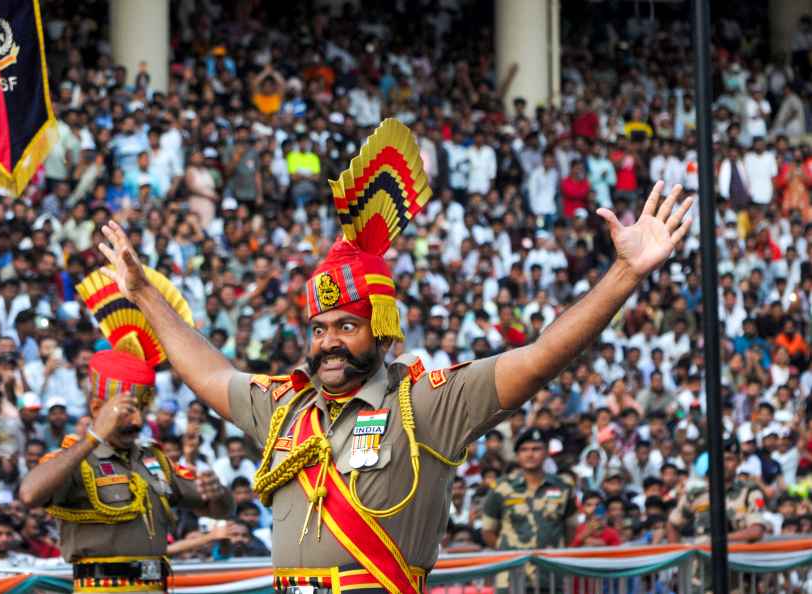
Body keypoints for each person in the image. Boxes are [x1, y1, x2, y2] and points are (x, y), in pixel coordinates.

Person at [96, 118, 693, 593]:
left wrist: (623, 273)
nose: (328, 341)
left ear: (383, 333)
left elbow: (539, 358)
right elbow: (208, 371)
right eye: (320, 327)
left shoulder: (429, 401)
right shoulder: (284, 407)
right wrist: (144, 292)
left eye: (347, 326)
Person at [19, 266, 234, 593]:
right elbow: (30, 493)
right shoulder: (75, 458)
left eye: (139, 412)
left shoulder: (153, 459)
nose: (135, 422)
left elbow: (219, 508)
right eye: (125, 413)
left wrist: (218, 495)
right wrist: (94, 437)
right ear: (96, 409)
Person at [481, 428, 579, 591]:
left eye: (536, 449)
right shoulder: (501, 487)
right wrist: (509, 550)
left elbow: (570, 529)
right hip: (511, 577)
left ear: (546, 452)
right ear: (517, 455)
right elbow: (488, 531)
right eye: (524, 450)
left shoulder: (563, 487)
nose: (530, 454)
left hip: (551, 576)